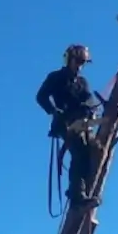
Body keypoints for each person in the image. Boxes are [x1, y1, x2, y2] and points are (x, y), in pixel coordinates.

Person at [36, 44, 101, 207]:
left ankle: (80, 188)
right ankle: (77, 195)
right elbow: (41, 96)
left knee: (92, 151)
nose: (80, 66)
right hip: (65, 123)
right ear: (69, 60)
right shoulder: (56, 78)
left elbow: (89, 99)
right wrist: (54, 110)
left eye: (83, 63)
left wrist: (89, 109)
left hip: (82, 123)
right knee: (79, 152)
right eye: (78, 61)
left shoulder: (82, 82)